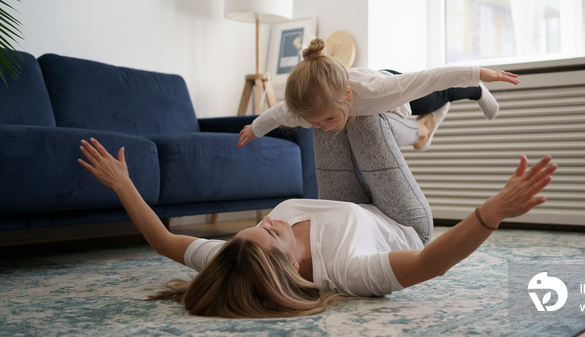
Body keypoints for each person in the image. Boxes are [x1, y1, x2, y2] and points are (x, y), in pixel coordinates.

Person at [78, 113, 557, 319]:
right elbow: (430, 264)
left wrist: (123, 184)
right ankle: (423, 126)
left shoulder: (237, 257)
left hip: (345, 201)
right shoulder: (348, 271)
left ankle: (412, 122)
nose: (270, 222)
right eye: (273, 234)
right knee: (362, 117)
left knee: (326, 112)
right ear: (287, 269)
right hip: (399, 219)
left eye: (259, 225)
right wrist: (490, 213)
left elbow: (163, 241)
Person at [237, 38, 519, 151]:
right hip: (369, 81)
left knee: (440, 94)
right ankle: (429, 124)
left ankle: (475, 93)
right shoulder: (302, 111)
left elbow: (429, 78)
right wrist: (254, 128)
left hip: (390, 82)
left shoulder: (375, 93)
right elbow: (276, 112)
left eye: (328, 119)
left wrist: (479, 74)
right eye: (316, 123)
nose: (323, 128)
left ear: (346, 96)